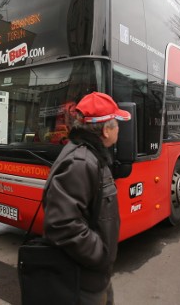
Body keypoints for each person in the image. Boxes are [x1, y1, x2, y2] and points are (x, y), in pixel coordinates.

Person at [42, 92, 131, 305]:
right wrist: (100, 255)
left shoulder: (90, 156)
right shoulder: (82, 161)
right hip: (84, 281)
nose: (119, 128)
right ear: (106, 130)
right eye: (117, 123)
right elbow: (62, 224)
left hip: (93, 278)